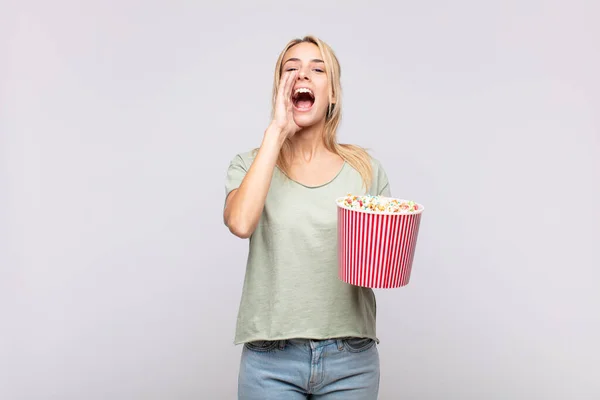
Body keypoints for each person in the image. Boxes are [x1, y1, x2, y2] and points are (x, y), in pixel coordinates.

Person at [223, 35, 391, 399]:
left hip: (352, 361)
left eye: (317, 69)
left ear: (332, 94)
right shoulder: (249, 164)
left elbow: (382, 260)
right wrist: (276, 131)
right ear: (280, 89)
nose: (303, 75)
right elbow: (239, 223)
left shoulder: (364, 170)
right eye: (291, 69)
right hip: (271, 361)